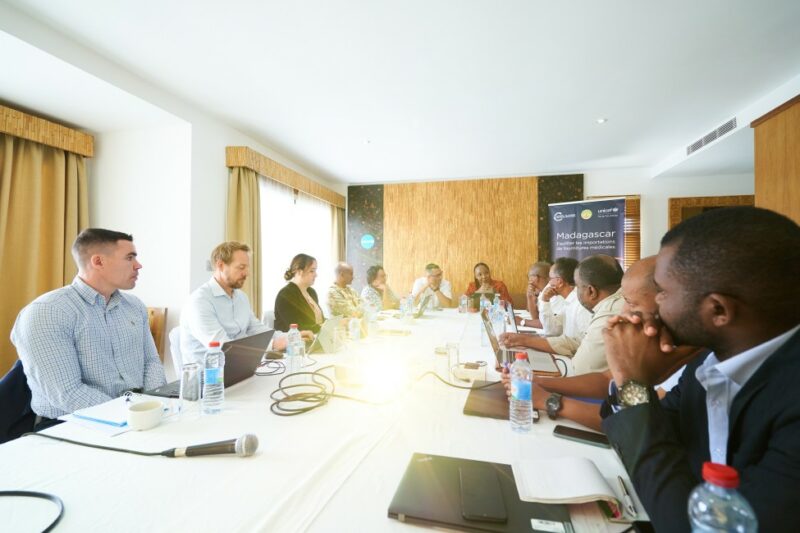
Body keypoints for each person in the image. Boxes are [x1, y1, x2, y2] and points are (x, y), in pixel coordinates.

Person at [600, 207, 800, 533]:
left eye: (663, 292)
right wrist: (638, 386)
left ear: (718, 310)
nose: (653, 305)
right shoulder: (708, 364)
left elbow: (692, 526)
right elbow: (654, 443)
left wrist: (630, 380)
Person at [500, 256, 698, 431]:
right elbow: (606, 380)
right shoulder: (668, 348)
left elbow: (632, 425)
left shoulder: (694, 365)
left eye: (631, 303)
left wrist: (549, 401)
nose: (621, 312)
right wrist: (540, 382)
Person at [10, 228, 166, 426]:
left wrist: (153, 405)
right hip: (70, 424)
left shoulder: (134, 306)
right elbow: (67, 393)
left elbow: (151, 362)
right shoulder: (47, 312)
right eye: (130, 258)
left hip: (137, 417)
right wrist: (131, 413)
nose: (138, 265)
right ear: (98, 261)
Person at [180, 241, 303, 365]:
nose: (247, 273)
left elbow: (257, 330)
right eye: (241, 267)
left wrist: (291, 337)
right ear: (221, 266)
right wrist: (274, 344)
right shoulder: (199, 301)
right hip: (209, 378)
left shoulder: (241, 297)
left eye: (247, 267)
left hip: (240, 368)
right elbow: (223, 347)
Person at [499, 254, 624, 374]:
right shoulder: (570, 302)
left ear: (591, 291)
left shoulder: (588, 308)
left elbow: (580, 367)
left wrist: (538, 384)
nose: (575, 289)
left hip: (577, 370)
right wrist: (524, 340)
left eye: (578, 286)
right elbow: (557, 332)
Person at [538, 257, 592, 337]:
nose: (549, 282)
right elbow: (553, 331)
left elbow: (582, 342)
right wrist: (545, 301)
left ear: (559, 282)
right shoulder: (569, 301)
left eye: (551, 278)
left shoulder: (580, 303)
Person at [274, 253, 325, 333]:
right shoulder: (285, 295)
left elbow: (320, 320)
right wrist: (323, 327)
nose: (316, 275)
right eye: (312, 271)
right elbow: (297, 327)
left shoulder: (311, 292)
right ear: (299, 271)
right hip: (293, 343)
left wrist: (335, 323)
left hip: (314, 338)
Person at [517, 261, 550, 328]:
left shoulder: (551, 292)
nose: (529, 281)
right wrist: (530, 298)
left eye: (529, 277)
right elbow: (535, 318)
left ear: (536, 278)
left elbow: (544, 324)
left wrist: (522, 321)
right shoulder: (542, 292)